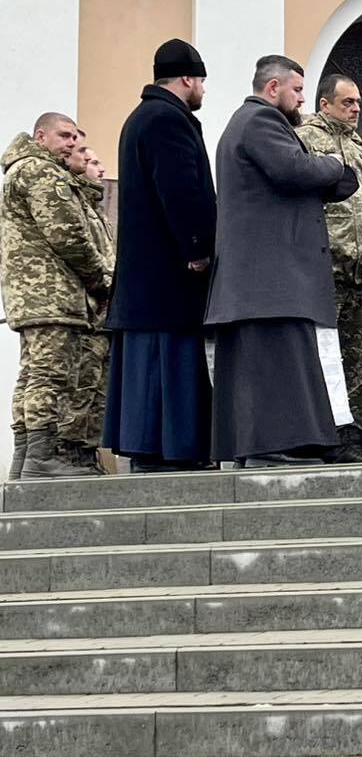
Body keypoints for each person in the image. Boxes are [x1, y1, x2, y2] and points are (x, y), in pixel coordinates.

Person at [206, 56, 359, 467]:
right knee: (272, 363)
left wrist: (329, 174)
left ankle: (261, 446)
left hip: (260, 280)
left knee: (265, 364)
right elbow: (293, 168)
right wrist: (332, 163)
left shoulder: (246, 124)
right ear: (273, 88)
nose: (302, 100)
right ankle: (269, 447)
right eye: (297, 91)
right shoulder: (260, 122)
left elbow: (308, 179)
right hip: (268, 277)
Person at [103, 41, 217, 473]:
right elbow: (181, 189)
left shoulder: (140, 119)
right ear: (187, 78)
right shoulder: (169, 120)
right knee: (167, 364)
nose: (203, 90)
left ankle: (148, 448)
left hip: (144, 276)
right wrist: (198, 247)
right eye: (202, 81)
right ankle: (169, 451)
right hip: (167, 274)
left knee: (144, 367)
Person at [2, 113, 113, 478]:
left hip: (34, 295)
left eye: (74, 137)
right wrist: (101, 279)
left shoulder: (23, 171)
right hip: (50, 293)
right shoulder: (42, 172)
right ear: (40, 136)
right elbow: (69, 236)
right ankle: (41, 458)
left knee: (34, 373)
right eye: (64, 136)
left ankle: (25, 460)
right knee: (50, 375)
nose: (70, 143)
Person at [297, 74, 362, 462]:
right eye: (347, 102)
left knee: (358, 362)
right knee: (320, 358)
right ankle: (315, 435)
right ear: (325, 104)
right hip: (325, 270)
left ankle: (351, 436)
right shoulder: (305, 140)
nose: (356, 109)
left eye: (358, 102)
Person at [64, 134, 115, 472]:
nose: (99, 168)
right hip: (83, 310)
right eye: (92, 160)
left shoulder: (97, 210)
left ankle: (86, 456)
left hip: (101, 315)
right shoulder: (69, 203)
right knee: (77, 387)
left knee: (97, 390)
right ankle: (69, 454)